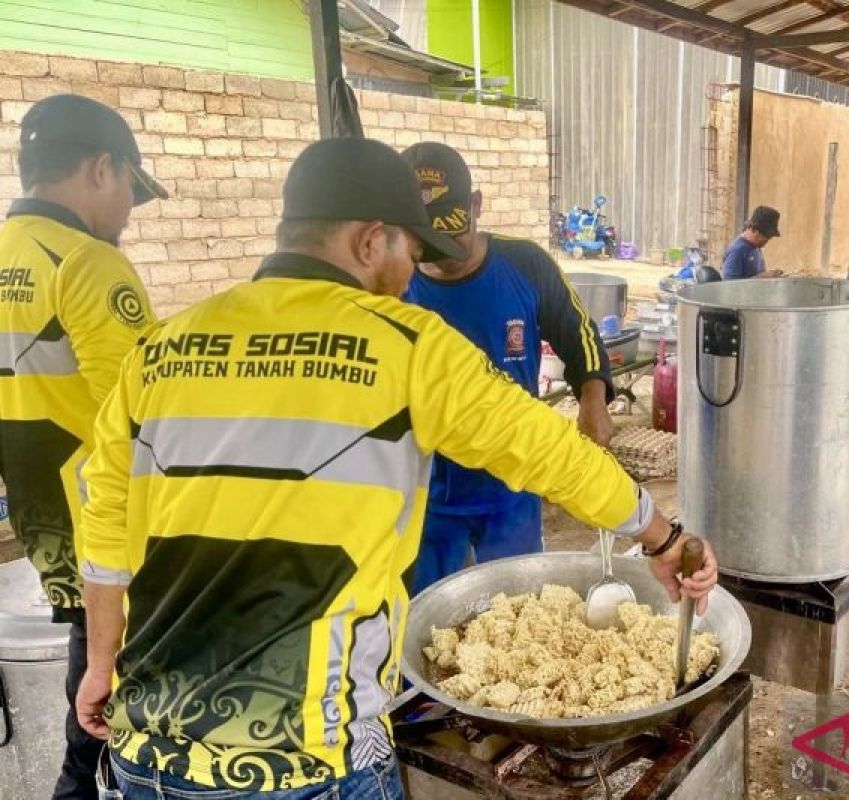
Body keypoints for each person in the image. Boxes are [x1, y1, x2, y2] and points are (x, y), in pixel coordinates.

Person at [75, 136, 719, 800]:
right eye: (410, 253)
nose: (411, 275)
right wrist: (664, 538)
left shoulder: (159, 349)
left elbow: (104, 525)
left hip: (145, 751)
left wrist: (100, 662)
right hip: (307, 763)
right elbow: (552, 454)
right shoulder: (408, 346)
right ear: (369, 241)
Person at [0, 93, 165, 800]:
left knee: (83, 645)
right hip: (106, 522)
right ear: (102, 169)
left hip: (37, 515)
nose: (130, 210)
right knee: (106, 676)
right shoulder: (88, 263)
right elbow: (149, 420)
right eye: (130, 186)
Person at [399, 141, 615, 597]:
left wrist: (593, 398)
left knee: (518, 607)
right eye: (428, 243)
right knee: (429, 615)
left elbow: (578, 331)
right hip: (427, 490)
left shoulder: (524, 262)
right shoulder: (395, 284)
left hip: (514, 483)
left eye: (453, 234)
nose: (443, 252)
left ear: (475, 205)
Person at [721, 205, 783, 279]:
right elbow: (730, 286)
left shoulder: (756, 247)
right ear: (753, 229)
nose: (767, 239)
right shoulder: (737, 251)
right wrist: (761, 277)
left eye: (770, 236)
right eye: (766, 235)